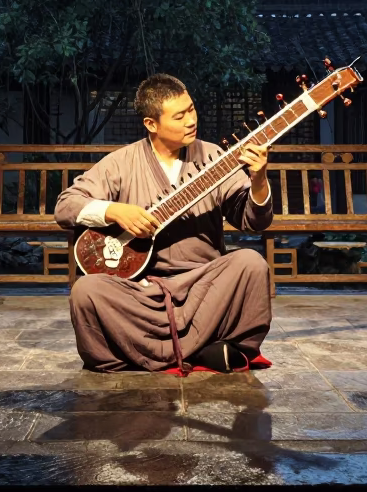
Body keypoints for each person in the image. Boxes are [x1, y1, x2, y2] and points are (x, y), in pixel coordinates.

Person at [55, 73, 275, 374]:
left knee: (251, 264)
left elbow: (253, 221)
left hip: (205, 286)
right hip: (141, 291)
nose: (191, 121)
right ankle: (203, 351)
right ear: (151, 124)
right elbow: (66, 205)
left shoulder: (215, 158)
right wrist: (115, 211)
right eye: (179, 116)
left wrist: (258, 179)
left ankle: (144, 354)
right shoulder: (121, 163)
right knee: (86, 290)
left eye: (192, 109)